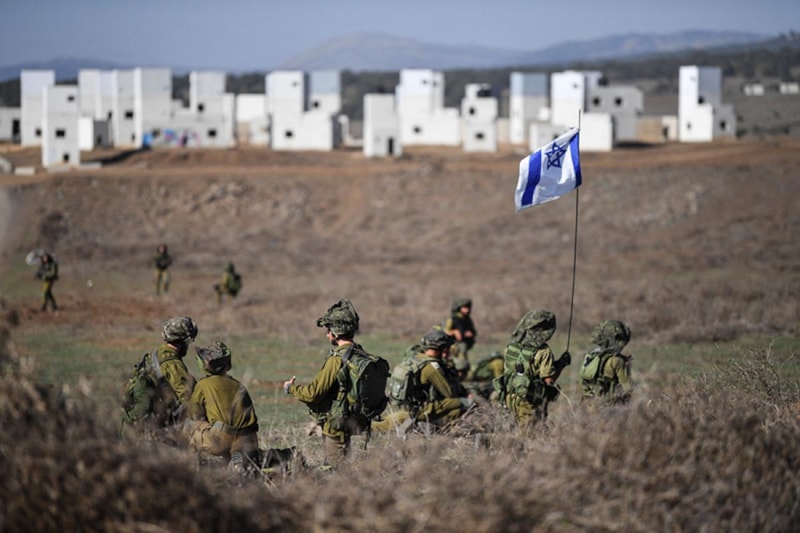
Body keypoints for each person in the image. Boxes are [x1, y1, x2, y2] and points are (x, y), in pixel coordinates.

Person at [282, 299, 366, 468]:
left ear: (336, 333)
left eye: (329, 330)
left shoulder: (337, 360)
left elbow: (313, 393)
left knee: (336, 470)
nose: (327, 335)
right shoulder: (360, 354)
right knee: (345, 463)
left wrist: (291, 388)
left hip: (336, 425)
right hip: (353, 420)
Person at [374, 327, 474, 434]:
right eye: (446, 348)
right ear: (441, 348)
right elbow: (449, 393)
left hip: (406, 408)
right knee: (462, 402)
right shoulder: (431, 367)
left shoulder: (417, 358)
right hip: (419, 411)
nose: (448, 351)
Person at [186, 340, 259, 471]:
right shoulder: (238, 385)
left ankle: (192, 469)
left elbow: (194, 413)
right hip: (248, 441)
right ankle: (236, 461)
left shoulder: (203, 385)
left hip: (221, 440)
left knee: (191, 425)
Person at [496, 309, 570, 427]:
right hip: (529, 402)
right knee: (530, 434)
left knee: (510, 430)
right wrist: (561, 364)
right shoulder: (543, 351)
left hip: (509, 398)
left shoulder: (511, 346)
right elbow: (549, 380)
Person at [580, 320, 633, 404]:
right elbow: (627, 389)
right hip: (607, 406)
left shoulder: (590, 356)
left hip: (587, 404)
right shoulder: (617, 361)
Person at [444, 298, 477, 380]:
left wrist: (468, 334)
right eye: (464, 308)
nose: (467, 310)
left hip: (464, 346)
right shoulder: (452, 319)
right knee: (458, 365)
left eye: (468, 308)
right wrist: (454, 332)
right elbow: (445, 332)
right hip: (454, 347)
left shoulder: (467, 320)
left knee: (464, 365)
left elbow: (473, 332)